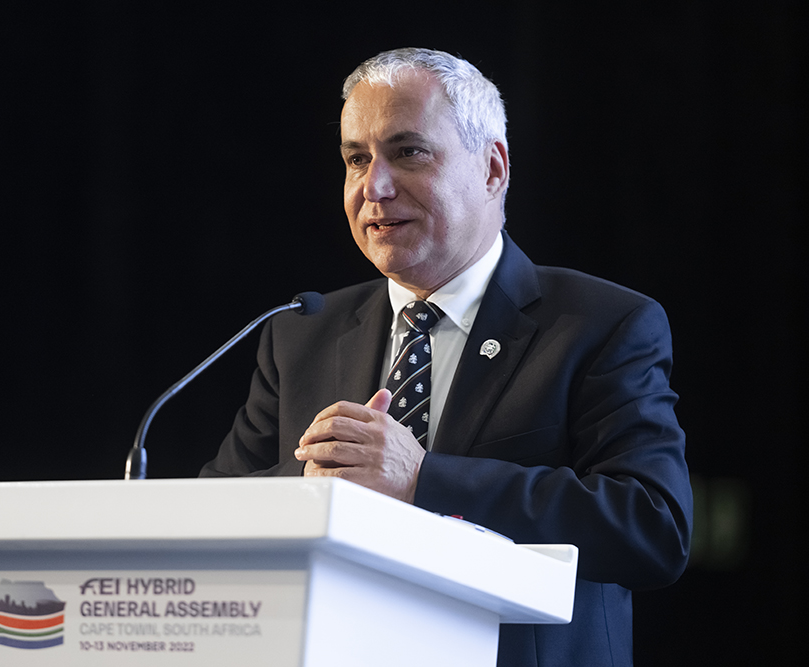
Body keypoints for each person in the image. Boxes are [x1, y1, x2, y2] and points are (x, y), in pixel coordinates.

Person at [201, 47, 692, 667]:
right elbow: (213, 510)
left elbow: (652, 528)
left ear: (492, 169)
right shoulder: (302, 333)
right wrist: (317, 489)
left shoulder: (601, 324)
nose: (373, 187)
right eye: (356, 159)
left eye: (408, 152)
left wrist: (422, 479)